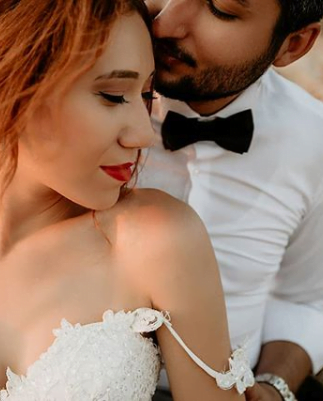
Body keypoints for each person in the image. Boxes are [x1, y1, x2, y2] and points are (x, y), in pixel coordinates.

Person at [0, 0, 254, 400]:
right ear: (9, 88)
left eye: (146, 94)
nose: (143, 134)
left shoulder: (159, 241)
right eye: (113, 95)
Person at [138, 1, 323, 400]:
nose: (166, 24)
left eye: (220, 8)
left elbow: (308, 300)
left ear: (292, 44)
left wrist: (275, 386)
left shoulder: (314, 142)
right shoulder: (66, 97)